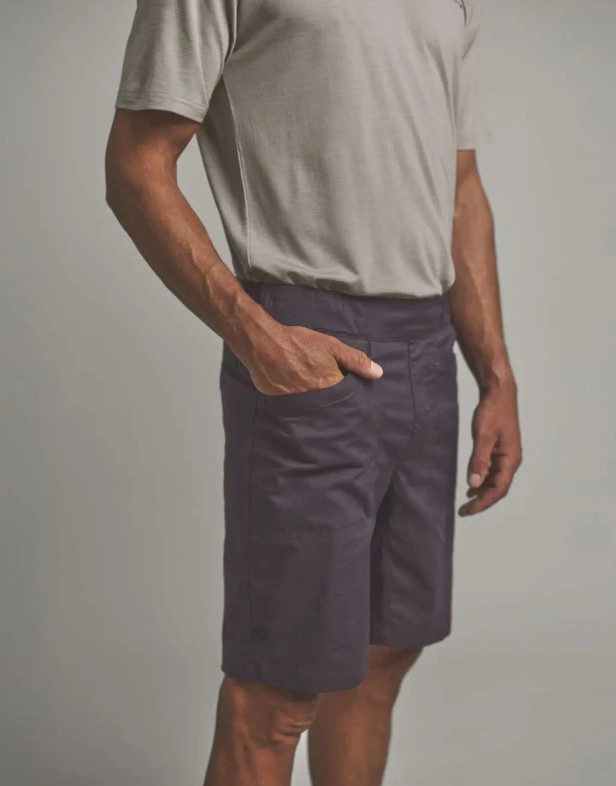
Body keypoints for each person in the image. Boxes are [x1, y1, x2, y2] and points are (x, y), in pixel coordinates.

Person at [105, 0, 522, 783]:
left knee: (383, 651)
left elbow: (460, 185)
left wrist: (494, 376)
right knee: (276, 694)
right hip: (309, 333)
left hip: (426, 346)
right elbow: (136, 165)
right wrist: (255, 331)